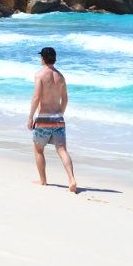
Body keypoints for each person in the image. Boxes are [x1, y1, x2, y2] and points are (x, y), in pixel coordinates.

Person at [28, 46, 77, 192]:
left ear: (42, 58)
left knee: (38, 150)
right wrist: (60, 113)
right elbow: (65, 99)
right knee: (62, 150)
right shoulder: (61, 76)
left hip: (44, 118)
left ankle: (43, 180)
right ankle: (71, 179)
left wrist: (31, 117)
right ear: (54, 58)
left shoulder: (40, 75)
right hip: (58, 118)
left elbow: (36, 97)